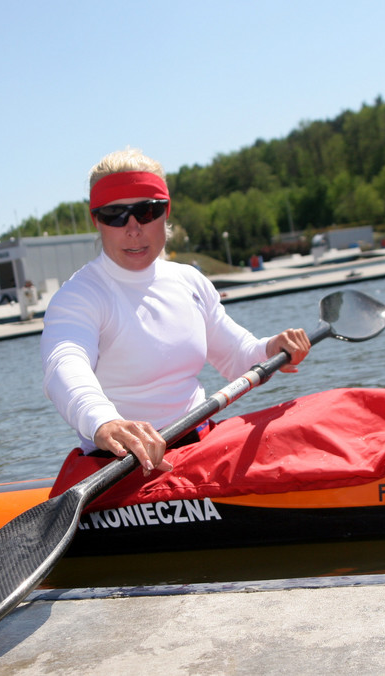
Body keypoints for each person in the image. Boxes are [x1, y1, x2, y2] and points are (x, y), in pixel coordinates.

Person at [40, 148, 311, 476]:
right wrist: (103, 420)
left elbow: (239, 356)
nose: (133, 228)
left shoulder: (189, 281)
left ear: (166, 212)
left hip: (203, 446)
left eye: (146, 211)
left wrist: (271, 348)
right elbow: (63, 365)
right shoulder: (80, 296)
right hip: (123, 466)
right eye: (115, 215)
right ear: (96, 219)